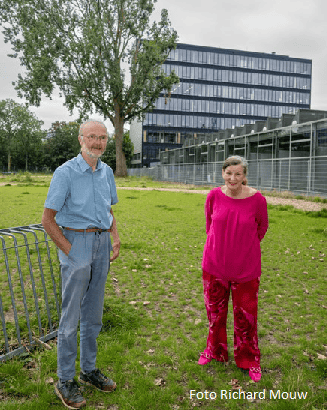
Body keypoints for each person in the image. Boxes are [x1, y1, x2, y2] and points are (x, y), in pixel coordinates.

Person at [42, 119, 120, 409]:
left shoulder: (106, 172)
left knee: (93, 314)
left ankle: (88, 370)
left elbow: (107, 208)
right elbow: (47, 220)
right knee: (70, 317)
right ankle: (64, 379)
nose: (98, 142)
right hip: (76, 243)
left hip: (101, 245)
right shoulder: (66, 172)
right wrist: (70, 251)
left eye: (102, 137)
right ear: (80, 139)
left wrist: (115, 236)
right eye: (92, 137)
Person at [199, 155, 268, 383]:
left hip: (246, 269)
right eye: (229, 173)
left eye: (238, 174)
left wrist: (243, 247)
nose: (233, 178)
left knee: (246, 318)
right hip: (214, 265)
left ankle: (249, 359)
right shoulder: (213, 196)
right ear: (222, 173)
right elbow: (210, 226)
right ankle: (215, 351)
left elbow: (262, 228)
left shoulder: (257, 199)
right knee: (215, 315)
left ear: (244, 175)